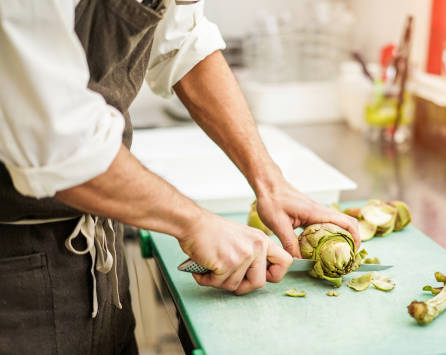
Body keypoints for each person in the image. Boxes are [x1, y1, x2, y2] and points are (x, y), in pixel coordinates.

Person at [0, 0, 360, 353]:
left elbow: (183, 44)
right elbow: (57, 143)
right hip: (16, 274)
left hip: (96, 255)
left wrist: (271, 183)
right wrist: (196, 224)